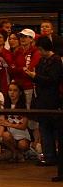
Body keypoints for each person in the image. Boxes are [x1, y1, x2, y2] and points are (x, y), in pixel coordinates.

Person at [29, 35, 61, 167]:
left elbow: (53, 80)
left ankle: (56, 156)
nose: (39, 52)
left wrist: (35, 76)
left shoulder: (56, 61)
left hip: (52, 100)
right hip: (41, 99)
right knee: (44, 129)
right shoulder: (42, 60)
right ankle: (48, 156)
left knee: (54, 129)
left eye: (40, 49)